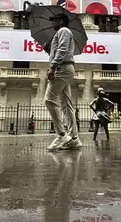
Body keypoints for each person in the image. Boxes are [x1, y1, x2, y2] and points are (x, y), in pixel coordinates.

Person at [44, 12, 81, 151]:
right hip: (65, 68)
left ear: (61, 21)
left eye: (54, 20)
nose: (52, 23)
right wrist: (49, 50)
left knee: (49, 100)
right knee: (66, 104)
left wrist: (52, 67)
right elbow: (60, 50)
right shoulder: (61, 32)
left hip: (62, 68)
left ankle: (61, 135)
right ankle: (74, 139)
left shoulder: (64, 31)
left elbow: (63, 49)